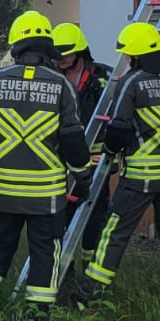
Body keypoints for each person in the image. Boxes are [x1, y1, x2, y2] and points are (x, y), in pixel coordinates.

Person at [0, 11, 92, 319]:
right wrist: (83, 179)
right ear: (48, 46)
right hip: (47, 194)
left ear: (16, 46)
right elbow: (74, 140)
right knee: (45, 251)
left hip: (3, 190)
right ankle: (36, 317)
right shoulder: (61, 85)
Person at [78, 22, 160, 302]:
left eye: (127, 54)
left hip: (141, 176)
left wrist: (109, 150)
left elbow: (119, 127)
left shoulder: (131, 83)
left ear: (135, 55)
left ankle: (90, 293)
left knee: (115, 231)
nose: (125, 58)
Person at [52, 23, 113, 255]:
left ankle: (89, 260)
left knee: (96, 210)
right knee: (62, 210)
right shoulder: (54, 78)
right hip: (62, 157)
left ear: (80, 52)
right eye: (58, 55)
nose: (61, 59)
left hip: (95, 158)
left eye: (66, 54)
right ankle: (62, 264)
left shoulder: (102, 77)